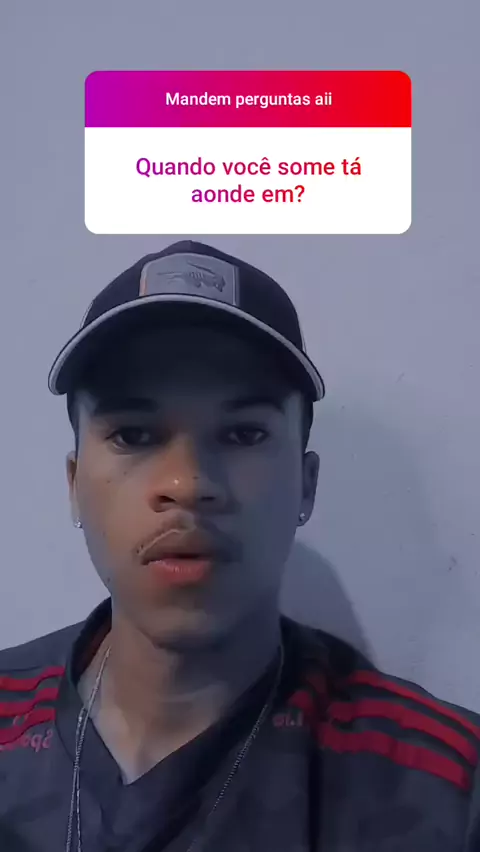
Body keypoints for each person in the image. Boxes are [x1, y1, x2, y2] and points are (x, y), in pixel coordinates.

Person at [0, 240, 479, 852]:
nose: (186, 483)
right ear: (74, 485)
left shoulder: (446, 793)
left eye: (244, 433)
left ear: (305, 485)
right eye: (134, 435)